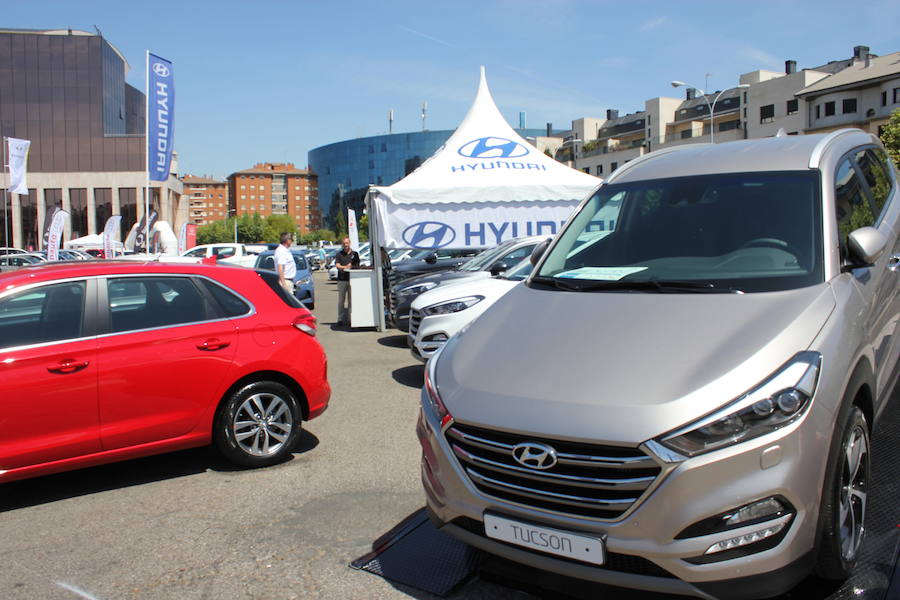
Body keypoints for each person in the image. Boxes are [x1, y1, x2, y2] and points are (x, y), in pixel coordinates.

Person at [335, 236, 360, 326]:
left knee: (351, 300)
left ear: (350, 243)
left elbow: (357, 266)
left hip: (352, 280)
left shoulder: (355, 254)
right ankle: (340, 319)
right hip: (342, 280)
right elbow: (337, 265)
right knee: (341, 300)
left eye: (347, 243)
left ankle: (351, 319)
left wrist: (351, 266)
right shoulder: (339, 254)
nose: (346, 245)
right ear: (342, 244)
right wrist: (345, 267)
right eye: (344, 243)